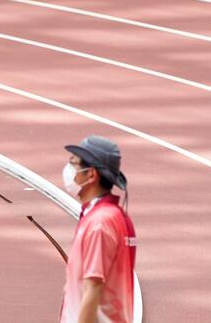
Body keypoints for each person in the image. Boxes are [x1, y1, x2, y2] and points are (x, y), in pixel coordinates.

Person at [60, 135, 137, 323]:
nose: (69, 170)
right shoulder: (112, 216)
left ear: (92, 175)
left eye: (74, 164)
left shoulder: (100, 223)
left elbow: (93, 289)